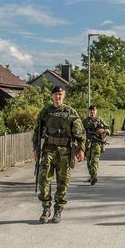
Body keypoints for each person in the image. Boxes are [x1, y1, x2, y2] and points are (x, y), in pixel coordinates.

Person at [32, 86, 86, 223]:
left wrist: (81, 149)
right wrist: (36, 150)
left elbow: (80, 133)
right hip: (48, 150)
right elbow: (37, 132)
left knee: (63, 182)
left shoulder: (71, 112)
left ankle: (58, 210)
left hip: (65, 151)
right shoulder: (45, 112)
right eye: (56, 94)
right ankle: (45, 208)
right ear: (52, 96)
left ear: (64, 96)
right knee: (43, 180)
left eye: (60, 94)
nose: (58, 97)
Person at [82, 105, 110, 185]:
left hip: (97, 144)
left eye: (93, 110)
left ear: (96, 111)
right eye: (90, 110)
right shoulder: (85, 121)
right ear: (89, 112)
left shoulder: (100, 120)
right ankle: (92, 175)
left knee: (94, 160)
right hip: (87, 144)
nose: (92, 112)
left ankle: (94, 175)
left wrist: (103, 130)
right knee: (88, 161)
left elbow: (109, 130)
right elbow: (80, 131)